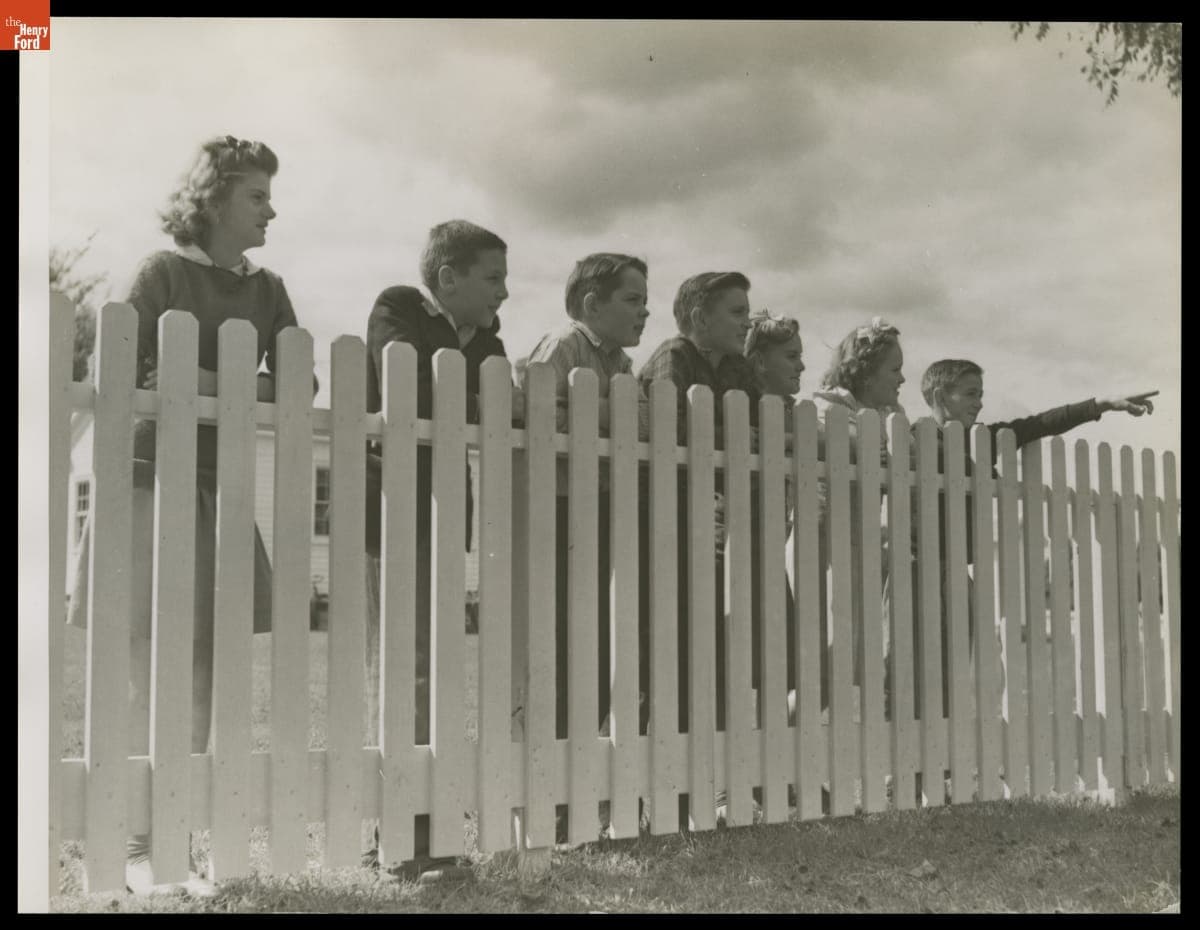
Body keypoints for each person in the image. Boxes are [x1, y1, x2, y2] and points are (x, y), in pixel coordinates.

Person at [68, 135, 303, 896]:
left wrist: (222, 382)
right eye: (257, 197)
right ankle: (133, 846)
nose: (272, 211)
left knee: (201, 674)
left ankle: (173, 837)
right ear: (213, 199)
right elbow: (126, 362)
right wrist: (225, 380)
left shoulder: (269, 290)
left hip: (219, 488)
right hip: (145, 481)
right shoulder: (162, 271)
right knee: (145, 675)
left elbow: (293, 379)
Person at [362, 219, 522, 875]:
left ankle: (430, 830)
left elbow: (501, 404)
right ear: (448, 279)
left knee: (438, 667)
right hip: (389, 510)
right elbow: (425, 393)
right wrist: (473, 391)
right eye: (493, 279)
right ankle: (395, 835)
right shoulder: (398, 308)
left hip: (445, 512)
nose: (504, 295)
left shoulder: (488, 338)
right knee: (403, 669)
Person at [913, 358, 1157, 719]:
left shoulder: (980, 438)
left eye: (981, 394)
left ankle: (941, 755)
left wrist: (1101, 405)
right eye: (969, 393)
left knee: (954, 663)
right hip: (917, 569)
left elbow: (1038, 424)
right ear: (938, 395)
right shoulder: (913, 438)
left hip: (956, 570)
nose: (979, 402)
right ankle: (904, 765)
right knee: (914, 664)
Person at [520, 252, 651, 840]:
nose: (644, 311)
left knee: (600, 650)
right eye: (632, 299)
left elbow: (649, 422)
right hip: (558, 511)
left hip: (602, 512)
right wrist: (612, 413)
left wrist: (604, 413)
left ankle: (584, 792)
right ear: (592, 305)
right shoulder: (564, 347)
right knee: (564, 652)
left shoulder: (622, 361)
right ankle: (547, 794)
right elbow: (539, 406)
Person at [811, 317, 906, 712]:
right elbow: (847, 444)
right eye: (894, 369)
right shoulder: (829, 405)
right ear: (866, 371)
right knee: (826, 657)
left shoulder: (887, 412)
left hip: (861, 541)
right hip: (823, 540)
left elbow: (906, 452)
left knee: (852, 654)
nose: (902, 379)